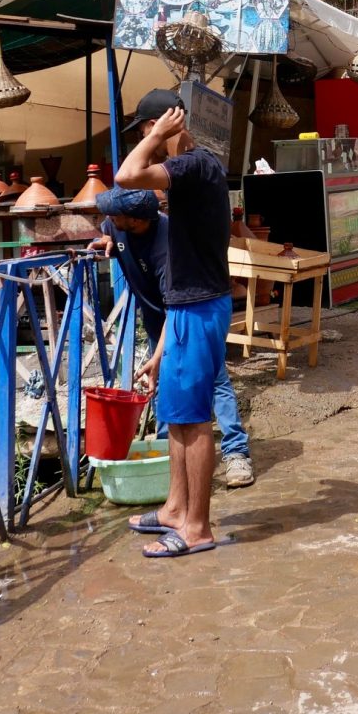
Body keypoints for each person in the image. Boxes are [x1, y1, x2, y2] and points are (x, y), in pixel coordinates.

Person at [113, 92, 235, 558]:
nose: (146, 140)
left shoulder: (196, 164)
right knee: (178, 416)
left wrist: (161, 133)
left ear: (162, 123)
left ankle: (197, 528)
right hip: (188, 306)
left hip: (201, 306)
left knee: (195, 420)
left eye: (145, 130)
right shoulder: (191, 171)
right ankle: (175, 508)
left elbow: (126, 177)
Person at [93, 185, 255, 494]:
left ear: (137, 220)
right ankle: (169, 459)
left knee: (215, 382)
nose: (108, 217)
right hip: (159, 320)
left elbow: (176, 308)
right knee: (165, 384)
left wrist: (158, 357)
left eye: (114, 215)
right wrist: (107, 239)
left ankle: (236, 452)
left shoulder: (169, 248)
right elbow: (108, 227)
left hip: (191, 317)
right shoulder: (118, 224)